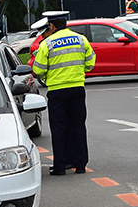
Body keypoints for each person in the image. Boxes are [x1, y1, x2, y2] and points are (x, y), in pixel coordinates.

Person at [32, 11, 95, 175]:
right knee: (78, 127)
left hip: (57, 91)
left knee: (59, 129)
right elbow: (90, 63)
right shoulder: (81, 39)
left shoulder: (47, 44)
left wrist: (48, 74)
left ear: (52, 26)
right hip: (77, 88)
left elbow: (37, 70)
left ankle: (60, 167)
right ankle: (80, 165)